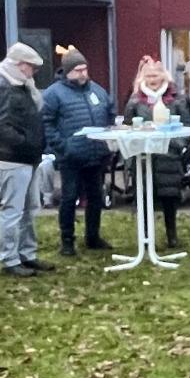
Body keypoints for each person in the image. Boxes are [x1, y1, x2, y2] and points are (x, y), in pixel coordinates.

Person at [41, 48, 116, 256]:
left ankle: (93, 236)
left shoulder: (98, 91)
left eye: (84, 69)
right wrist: (63, 147)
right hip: (71, 157)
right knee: (69, 197)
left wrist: (107, 142)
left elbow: (110, 113)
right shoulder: (53, 94)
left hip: (96, 155)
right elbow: (47, 123)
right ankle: (67, 240)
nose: (83, 74)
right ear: (67, 72)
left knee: (95, 197)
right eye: (77, 70)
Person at [0, 42, 47, 278]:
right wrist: (28, 142)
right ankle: (9, 259)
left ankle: (27, 254)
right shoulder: (2, 88)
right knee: (13, 210)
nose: (34, 72)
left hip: (27, 157)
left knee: (29, 209)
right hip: (12, 158)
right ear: (20, 65)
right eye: (33, 67)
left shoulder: (19, 85)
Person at [121, 57, 190, 252]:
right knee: (145, 197)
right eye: (148, 75)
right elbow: (127, 126)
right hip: (143, 156)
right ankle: (146, 237)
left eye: (156, 75)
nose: (153, 79)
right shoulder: (135, 100)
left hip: (169, 156)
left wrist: (176, 145)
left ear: (164, 75)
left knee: (170, 198)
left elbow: (189, 127)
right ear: (142, 77)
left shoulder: (177, 98)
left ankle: (172, 235)